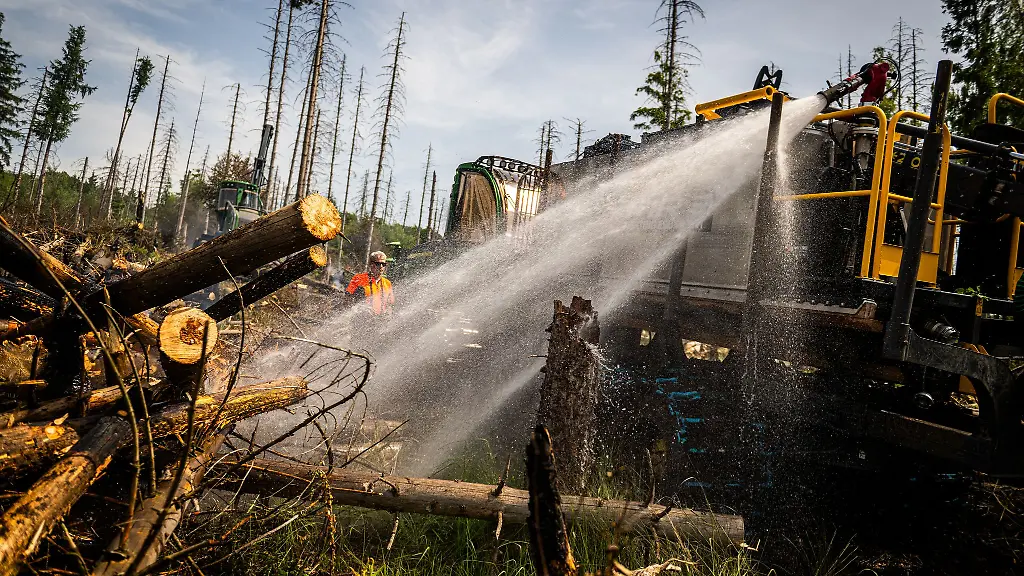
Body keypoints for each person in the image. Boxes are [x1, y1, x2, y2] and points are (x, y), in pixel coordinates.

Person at [346, 250, 395, 315]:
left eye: (383, 264)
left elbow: (390, 304)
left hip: (382, 321)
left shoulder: (387, 283)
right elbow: (347, 299)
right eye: (378, 264)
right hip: (361, 319)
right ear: (371, 264)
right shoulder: (358, 278)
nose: (381, 266)